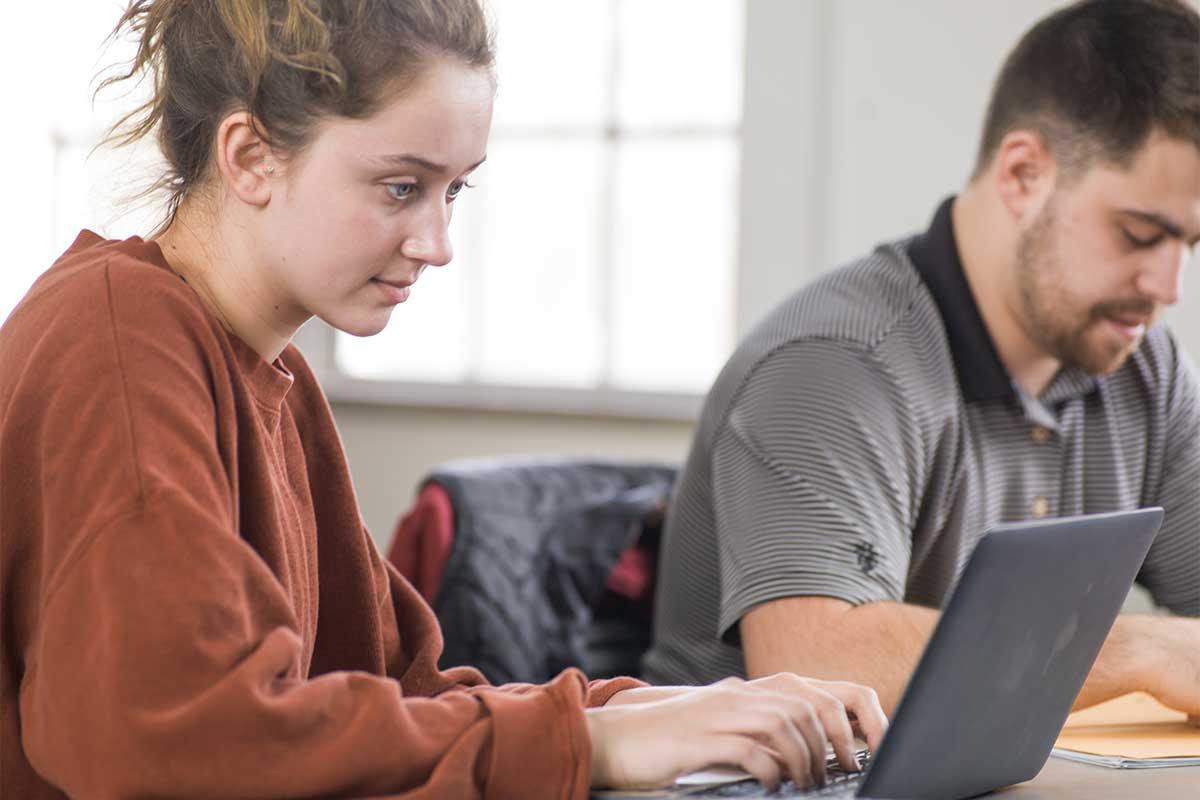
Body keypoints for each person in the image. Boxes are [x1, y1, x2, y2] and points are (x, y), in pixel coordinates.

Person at [0, 1, 889, 798]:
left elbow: (394, 694)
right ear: (250, 157)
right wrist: (590, 741)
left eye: (454, 190)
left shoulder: (275, 374)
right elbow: (170, 742)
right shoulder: (119, 338)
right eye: (401, 187)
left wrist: (682, 714)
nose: (437, 242)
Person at [644, 0, 1200, 721]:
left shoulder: (1144, 371)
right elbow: (821, 667)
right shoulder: (836, 365)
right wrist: (1142, 654)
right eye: (1137, 234)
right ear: (1024, 175)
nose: (1168, 289)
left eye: (1189, 245)